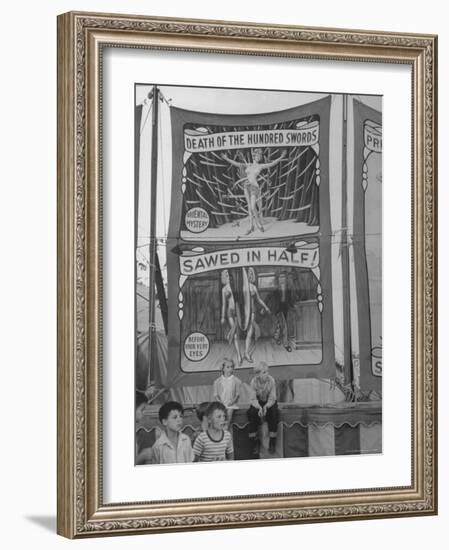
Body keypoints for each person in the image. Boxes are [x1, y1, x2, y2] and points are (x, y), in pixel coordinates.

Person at [221, 148, 286, 235]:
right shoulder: (248, 164)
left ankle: (258, 223)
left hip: (254, 188)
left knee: (252, 207)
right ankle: (251, 227)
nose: (258, 157)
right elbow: (236, 164)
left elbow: (272, 163)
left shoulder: (260, 166)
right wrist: (226, 158)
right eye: (257, 155)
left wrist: (281, 157)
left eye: (260, 156)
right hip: (246, 187)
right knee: (250, 209)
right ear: (254, 156)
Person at [247, 362, 279, 456]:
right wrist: (259, 407)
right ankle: (254, 442)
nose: (267, 374)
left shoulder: (271, 380)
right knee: (252, 413)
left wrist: (266, 406)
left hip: (269, 402)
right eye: (264, 372)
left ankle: (272, 441)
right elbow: (253, 398)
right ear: (258, 374)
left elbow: (272, 397)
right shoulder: (253, 382)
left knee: (273, 413)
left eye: (267, 372)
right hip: (258, 402)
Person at [243, 267, 270, 363]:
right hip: (246, 313)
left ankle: (247, 353)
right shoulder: (244, 287)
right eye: (248, 273)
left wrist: (266, 307)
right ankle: (246, 353)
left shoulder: (253, 287)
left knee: (252, 333)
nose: (250, 275)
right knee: (251, 333)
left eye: (251, 273)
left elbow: (258, 299)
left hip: (253, 312)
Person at [220, 269, 242, 364]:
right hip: (229, 312)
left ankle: (229, 334)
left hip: (237, 311)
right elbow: (224, 304)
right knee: (236, 336)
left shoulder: (234, 287)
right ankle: (239, 355)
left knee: (235, 331)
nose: (228, 277)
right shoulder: (224, 289)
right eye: (226, 276)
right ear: (224, 278)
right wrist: (222, 317)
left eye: (229, 276)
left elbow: (240, 300)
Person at [212, 358, 242, 426]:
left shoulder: (236, 381)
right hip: (221, 404)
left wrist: (232, 402)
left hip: (231, 404)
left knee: (229, 414)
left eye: (231, 367)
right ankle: (221, 430)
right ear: (223, 368)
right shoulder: (217, 381)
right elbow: (216, 395)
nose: (230, 369)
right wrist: (220, 402)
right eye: (228, 367)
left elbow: (237, 395)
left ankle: (225, 429)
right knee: (219, 415)